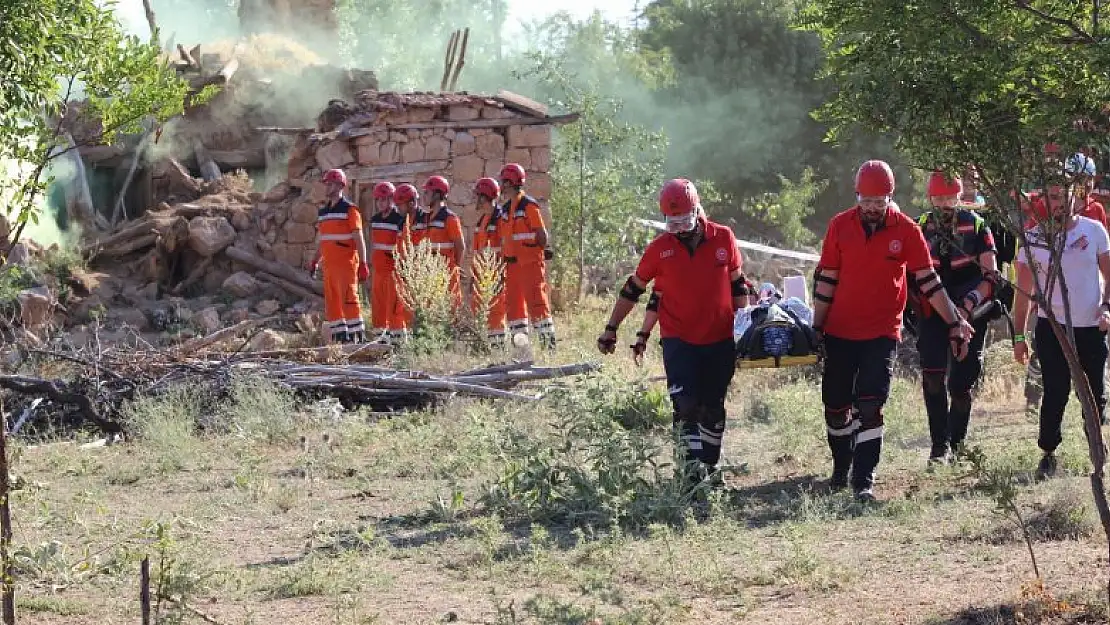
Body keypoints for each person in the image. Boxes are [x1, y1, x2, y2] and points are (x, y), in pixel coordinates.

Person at [812, 160, 974, 501]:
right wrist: (817, 327)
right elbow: (827, 279)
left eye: (879, 200)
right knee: (836, 406)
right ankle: (841, 469)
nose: (872, 207)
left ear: (890, 197)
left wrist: (956, 321)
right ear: (856, 195)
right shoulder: (839, 226)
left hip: (882, 331)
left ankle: (863, 481)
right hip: (840, 330)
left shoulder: (906, 229)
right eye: (866, 200)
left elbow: (929, 281)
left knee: (870, 405)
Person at [597, 178, 751, 487]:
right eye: (671, 222)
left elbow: (738, 284)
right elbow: (633, 290)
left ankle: (709, 466)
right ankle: (688, 475)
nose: (678, 228)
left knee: (713, 407)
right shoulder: (659, 249)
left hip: (719, 337)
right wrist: (611, 329)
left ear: (697, 210)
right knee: (685, 405)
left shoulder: (724, 238)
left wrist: (745, 327)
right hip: (678, 339)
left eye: (683, 220)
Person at [1012, 181, 1110, 481]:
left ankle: (1097, 449)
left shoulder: (1094, 231)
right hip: (1051, 327)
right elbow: (1023, 294)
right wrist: (1018, 336)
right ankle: (1048, 452)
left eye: (1066, 197)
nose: (1060, 203)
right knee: (1055, 389)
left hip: (1090, 326)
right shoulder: (1033, 240)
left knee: (1094, 392)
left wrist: (1107, 307)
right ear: (1044, 200)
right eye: (1053, 197)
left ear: (1076, 198)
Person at [911, 171, 1000, 466]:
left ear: (960, 197)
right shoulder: (920, 227)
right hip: (932, 311)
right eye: (939, 198)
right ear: (930, 198)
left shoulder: (977, 226)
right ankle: (939, 446)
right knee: (933, 375)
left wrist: (965, 308)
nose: (945, 204)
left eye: (950, 198)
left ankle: (958, 444)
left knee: (961, 385)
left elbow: (991, 276)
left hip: (971, 310)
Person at [307, 168, 371, 343]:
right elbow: (323, 240)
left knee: (350, 301)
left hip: (346, 265)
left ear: (339, 185)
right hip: (329, 267)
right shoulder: (324, 212)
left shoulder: (350, 210)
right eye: (326, 183)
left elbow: (359, 239)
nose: (326, 187)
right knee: (333, 305)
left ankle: (357, 338)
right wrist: (315, 261)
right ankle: (340, 340)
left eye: (329, 183)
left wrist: (364, 263)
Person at [499, 163, 556, 349]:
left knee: (537, 303)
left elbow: (542, 235)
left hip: (529, 262)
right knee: (515, 308)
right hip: (513, 266)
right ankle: (521, 349)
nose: (502, 185)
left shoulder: (528, 205)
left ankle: (548, 346)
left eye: (504, 181)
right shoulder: (506, 209)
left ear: (511, 182)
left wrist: (540, 250)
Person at [367, 181, 408, 344]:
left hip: (393, 271)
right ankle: (380, 341)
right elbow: (373, 244)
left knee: (394, 307)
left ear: (392, 200)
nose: (380, 203)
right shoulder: (375, 220)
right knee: (378, 306)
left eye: (384, 199)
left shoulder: (399, 220)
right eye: (378, 200)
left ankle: (398, 342)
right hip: (378, 270)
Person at [416, 176, 466, 305]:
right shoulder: (427, 218)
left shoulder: (450, 218)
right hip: (430, 273)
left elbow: (460, 246)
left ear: (437, 194)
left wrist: (456, 268)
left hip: (446, 273)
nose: (424, 196)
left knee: (450, 312)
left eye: (427, 192)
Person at [472, 177, 508, 347]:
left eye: (478, 195)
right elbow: (478, 251)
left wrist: (502, 274)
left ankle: (498, 346)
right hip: (482, 275)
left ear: (485, 197)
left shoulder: (500, 219)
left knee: (496, 312)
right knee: (480, 310)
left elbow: (505, 248)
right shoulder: (482, 221)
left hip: (496, 274)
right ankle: (484, 344)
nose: (475, 199)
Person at [392, 182, 421, 330]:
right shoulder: (401, 222)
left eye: (400, 205)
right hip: (405, 274)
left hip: (420, 275)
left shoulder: (424, 220)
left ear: (412, 203)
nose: (397, 208)